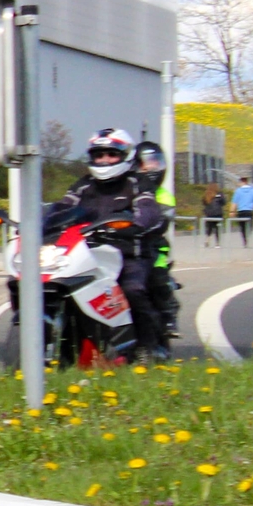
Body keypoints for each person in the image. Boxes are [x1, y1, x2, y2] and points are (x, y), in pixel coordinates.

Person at [45, 129, 168, 351]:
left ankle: (147, 350)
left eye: (111, 154)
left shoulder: (138, 183)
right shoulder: (83, 185)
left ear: (126, 155)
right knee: (60, 284)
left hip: (130, 253)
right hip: (88, 252)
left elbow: (148, 208)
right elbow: (64, 207)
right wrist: (44, 223)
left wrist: (137, 223)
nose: (104, 160)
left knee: (133, 290)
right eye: (99, 154)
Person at [132, 140, 181, 361]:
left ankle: (168, 314)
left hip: (153, 248)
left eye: (153, 163)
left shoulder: (163, 195)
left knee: (157, 277)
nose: (149, 168)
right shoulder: (128, 190)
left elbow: (162, 220)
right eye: (143, 164)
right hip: (127, 247)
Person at [230, 172, 253, 242]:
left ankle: (245, 239)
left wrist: (232, 211)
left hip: (241, 211)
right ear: (247, 182)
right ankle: (248, 236)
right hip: (249, 211)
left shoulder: (238, 191)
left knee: (242, 227)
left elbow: (234, 203)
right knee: (250, 226)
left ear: (241, 182)